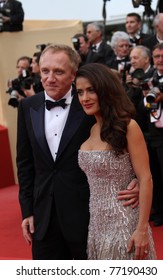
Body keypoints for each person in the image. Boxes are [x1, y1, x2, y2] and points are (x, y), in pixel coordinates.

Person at [17, 43, 139, 260]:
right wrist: (27, 210)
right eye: (45, 71)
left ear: (73, 74)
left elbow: (129, 140)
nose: (50, 78)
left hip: (88, 216)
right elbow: (25, 163)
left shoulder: (90, 103)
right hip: (44, 217)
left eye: (59, 71)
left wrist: (137, 179)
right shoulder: (28, 106)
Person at [76, 63, 156, 260]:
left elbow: (145, 178)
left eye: (90, 90)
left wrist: (142, 229)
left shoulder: (129, 126)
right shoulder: (92, 129)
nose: (84, 98)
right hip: (96, 226)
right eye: (79, 92)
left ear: (105, 89)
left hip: (125, 223)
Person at [141, 42, 163, 232]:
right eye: (157, 56)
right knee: (156, 176)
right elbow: (140, 109)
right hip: (154, 135)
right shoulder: (149, 78)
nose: (160, 60)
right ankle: (160, 212)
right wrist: (146, 98)